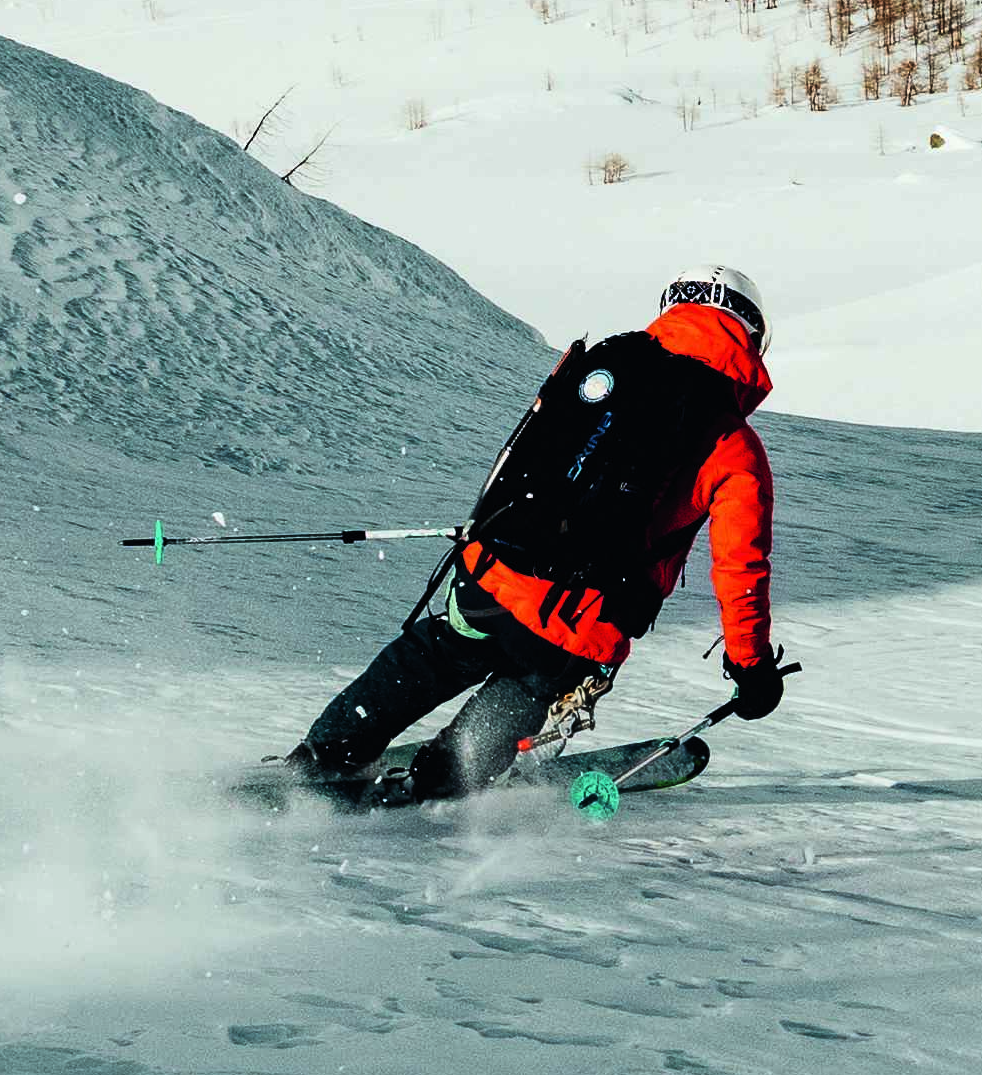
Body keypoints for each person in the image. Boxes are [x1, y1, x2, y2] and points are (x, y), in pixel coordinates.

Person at [286, 271, 797, 803]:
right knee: (527, 687)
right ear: (752, 337)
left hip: (489, 571)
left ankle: (326, 751)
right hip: (576, 624)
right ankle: (436, 782)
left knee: (438, 654)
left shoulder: (610, 366)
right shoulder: (734, 447)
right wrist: (752, 667)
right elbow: (740, 569)